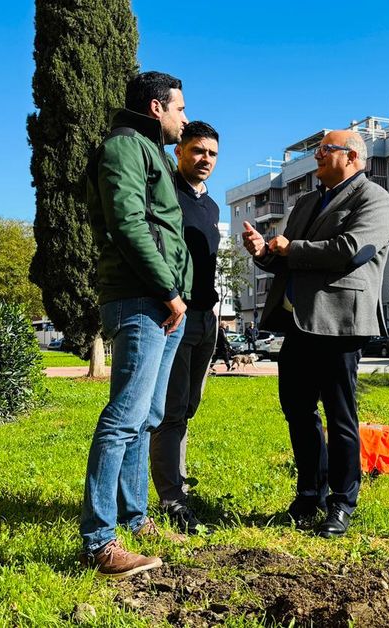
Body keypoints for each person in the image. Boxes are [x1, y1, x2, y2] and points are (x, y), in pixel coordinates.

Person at [241, 130, 389, 538]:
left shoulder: (373, 198)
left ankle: (342, 503)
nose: (318, 156)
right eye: (316, 150)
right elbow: (291, 261)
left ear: (354, 157)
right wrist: (264, 253)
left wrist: (291, 249)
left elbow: (352, 250)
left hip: (340, 323)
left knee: (341, 417)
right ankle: (310, 494)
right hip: (298, 323)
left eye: (326, 150)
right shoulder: (307, 201)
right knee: (297, 411)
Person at [80, 71, 192, 579]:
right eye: (180, 109)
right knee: (124, 418)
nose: (184, 119)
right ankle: (99, 543)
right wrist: (167, 290)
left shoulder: (152, 153)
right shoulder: (125, 147)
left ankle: (134, 517)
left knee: (146, 417)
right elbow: (126, 222)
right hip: (143, 300)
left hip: (162, 303)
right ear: (156, 108)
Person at [150, 121, 222, 536]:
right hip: (173, 313)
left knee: (188, 407)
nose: (204, 160)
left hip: (206, 319)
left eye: (211, 153)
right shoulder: (167, 196)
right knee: (170, 410)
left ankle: (176, 482)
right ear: (180, 152)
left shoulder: (211, 207)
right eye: (197, 150)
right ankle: (171, 497)